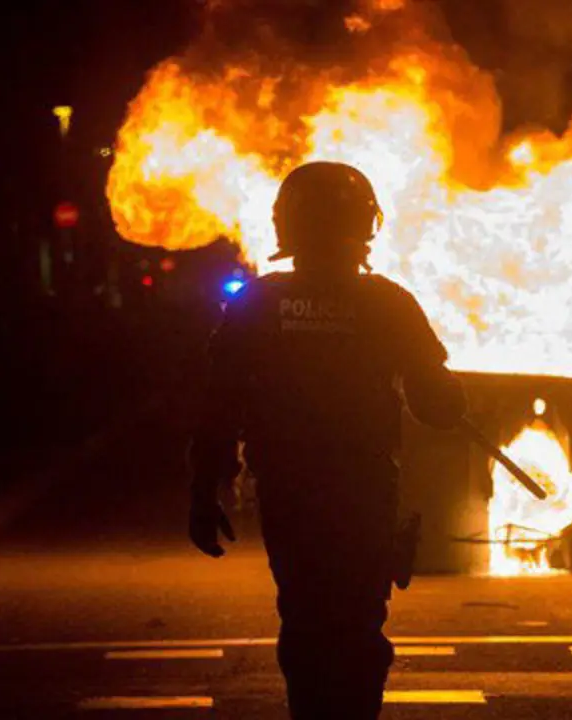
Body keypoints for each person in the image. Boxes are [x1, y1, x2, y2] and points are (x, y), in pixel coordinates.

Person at [188, 161, 467, 719]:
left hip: (290, 492)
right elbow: (437, 406)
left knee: (304, 620)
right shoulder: (388, 302)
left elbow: (219, 403)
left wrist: (204, 490)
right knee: (359, 626)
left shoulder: (258, 303)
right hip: (364, 491)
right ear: (366, 224)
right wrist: (447, 396)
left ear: (286, 225)